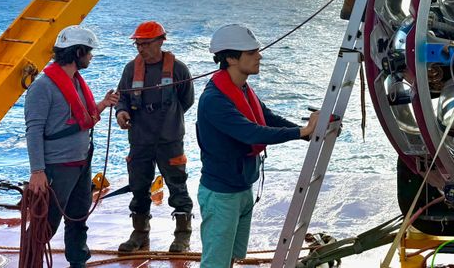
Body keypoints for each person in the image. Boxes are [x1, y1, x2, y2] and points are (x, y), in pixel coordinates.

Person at [196, 24, 322, 267]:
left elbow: (266, 117)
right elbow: (251, 133)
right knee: (215, 261)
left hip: (242, 187)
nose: (259, 56)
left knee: (231, 256)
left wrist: (305, 134)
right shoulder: (214, 100)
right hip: (222, 194)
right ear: (231, 58)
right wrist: (300, 132)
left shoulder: (241, 88)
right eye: (251, 53)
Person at [24, 25, 120, 268]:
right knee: (45, 224)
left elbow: (79, 119)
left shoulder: (75, 82)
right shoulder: (42, 87)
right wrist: (38, 171)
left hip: (81, 162)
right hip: (58, 166)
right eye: (88, 52)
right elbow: (33, 129)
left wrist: (103, 104)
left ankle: (78, 262)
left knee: (78, 217)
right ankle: (31, 263)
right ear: (77, 52)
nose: (91, 56)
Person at [114, 21, 195, 253]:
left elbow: (186, 100)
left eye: (146, 43)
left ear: (160, 42)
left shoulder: (178, 69)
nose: (141, 48)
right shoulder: (131, 69)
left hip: (170, 140)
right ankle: (139, 233)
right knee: (138, 186)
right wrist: (121, 112)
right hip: (140, 139)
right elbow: (123, 97)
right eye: (138, 44)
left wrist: (168, 118)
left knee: (177, 186)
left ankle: (182, 236)